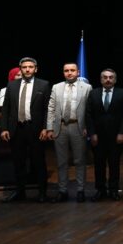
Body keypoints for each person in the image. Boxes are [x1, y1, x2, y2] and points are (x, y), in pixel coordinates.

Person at [0, 57, 51, 203]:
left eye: (30, 67)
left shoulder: (44, 84)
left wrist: (46, 128)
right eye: (24, 67)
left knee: (39, 162)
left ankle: (42, 193)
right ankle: (20, 192)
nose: (27, 69)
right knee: (18, 162)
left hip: (35, 129)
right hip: (16, 129)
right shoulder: (12, 85)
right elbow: (6, 109)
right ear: (20, 69)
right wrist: (4, 128)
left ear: (36, 69)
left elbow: (48, 109)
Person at [46, 62, 92, 203]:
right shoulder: (57, 87)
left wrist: (88, 127)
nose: (69, 73)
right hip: (61, 127)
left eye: (72, 70)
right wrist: (50, 128)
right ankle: (62, 191)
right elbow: (51, 108)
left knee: (79, 160)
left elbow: (90, 110)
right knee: (61, 162)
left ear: (78, 72)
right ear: (63, 72)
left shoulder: (87, 87)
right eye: (66, 70)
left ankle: (80, 190)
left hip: (78, 127)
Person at [86, 69, 123, 201]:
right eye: (105, 77)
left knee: (114, 164)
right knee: (99, 165)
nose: (108, 79)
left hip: (116, 137)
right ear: (101, 79)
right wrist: (92, 133)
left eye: (111, 77)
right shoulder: (93, 93)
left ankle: (114, 190)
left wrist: (122, 132)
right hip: (98, 137)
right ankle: (100, 190)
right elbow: (88, 115)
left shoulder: (122, 93)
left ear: (115, 80)